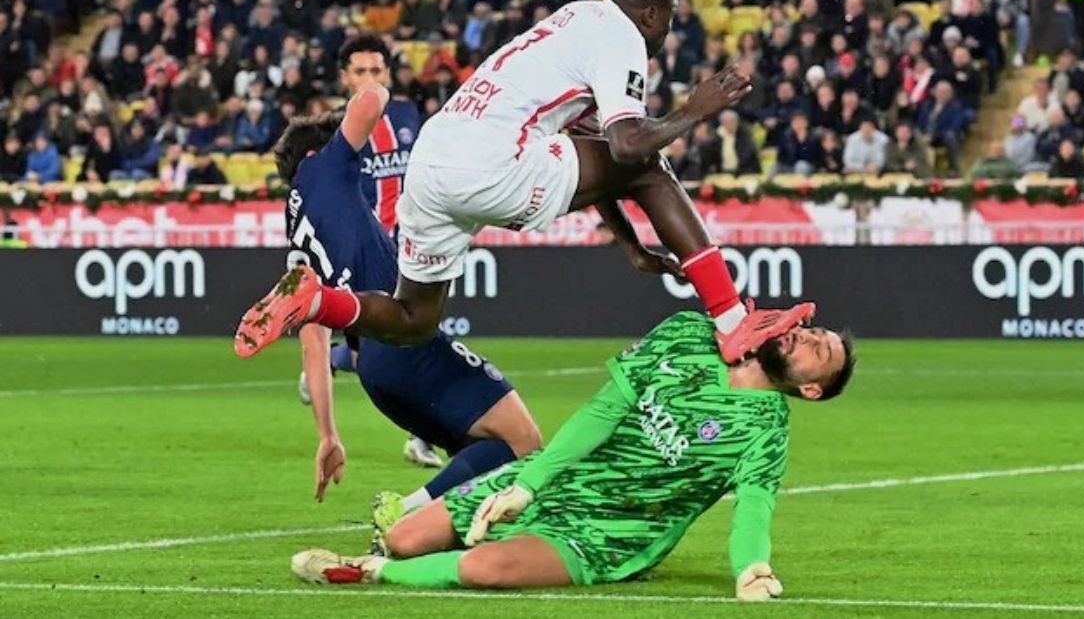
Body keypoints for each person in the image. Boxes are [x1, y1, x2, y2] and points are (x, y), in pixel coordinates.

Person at [236, 0, 811, 366]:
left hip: (433, 160)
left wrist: (631, 246)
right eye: (671, 21)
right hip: (492, 160)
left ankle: (319, 301)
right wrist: (696, 109)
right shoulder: (623, 38)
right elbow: (630, 149)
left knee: (414, 320)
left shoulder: (576, 20)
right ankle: (733, 321)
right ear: (655, 14)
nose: (666, 35)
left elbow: (600, 155)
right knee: (651, 165)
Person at [291, 309, 853, 598]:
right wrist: (528, 483)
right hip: (559, 478)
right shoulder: (689, 333)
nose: (806, 337)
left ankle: (370, 573)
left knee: (485, 570)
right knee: (405, 535)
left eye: (819, 350)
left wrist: (751, 568)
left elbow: (754, 505)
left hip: (611, 533)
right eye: (812, 331)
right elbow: (602, 413)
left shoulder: (766, 428)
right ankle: (396, 554)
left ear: (810, 389)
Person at [275, 103, 542, 535]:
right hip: (402, 344)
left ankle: (441, 533)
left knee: (488, 452)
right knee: (524, 440)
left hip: (374, 374)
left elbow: (313, 341)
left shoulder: (299, 233)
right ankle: (405, 514)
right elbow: (371, 98)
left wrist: (328, 434)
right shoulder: (324, 168)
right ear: (313, 157)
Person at [295, 35, 445, 469]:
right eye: (360, 72)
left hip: (409, 246)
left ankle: (421, 435)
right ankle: (421, 430)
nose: (369, 80)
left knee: (413, 341)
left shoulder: (406, 117)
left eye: (377, 71)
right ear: (344, 78)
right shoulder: (336, 134)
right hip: (362, 254)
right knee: (389, 349)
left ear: (389, 75)